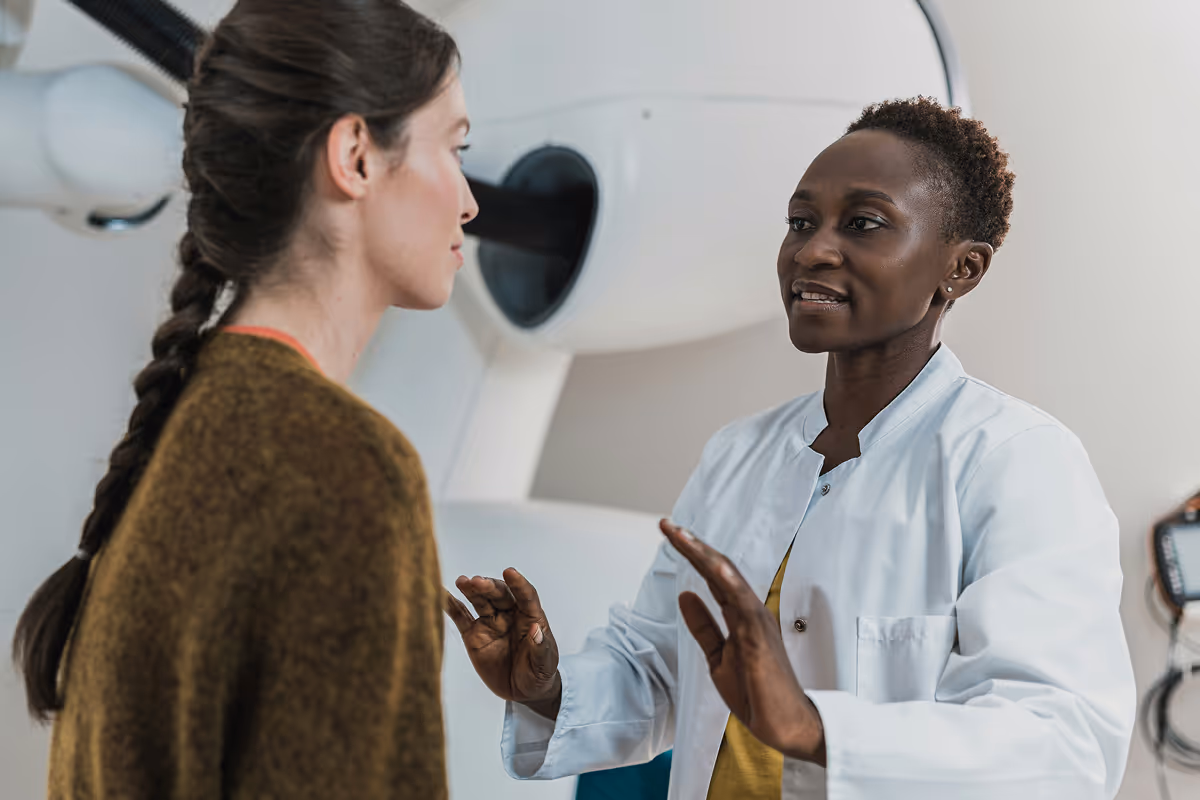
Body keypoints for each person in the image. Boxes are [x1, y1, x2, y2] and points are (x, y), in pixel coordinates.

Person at [445, 97, 1137, 800]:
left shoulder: (1015, 461)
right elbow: (661, 672)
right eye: (800, 222)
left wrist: (815, 729)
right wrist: (547, 689)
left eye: (863, 223)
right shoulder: (738, 454)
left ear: (959, 270)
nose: (811, 250)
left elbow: (1064, 745)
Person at [11, 1, 477, 797]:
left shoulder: (185, 425)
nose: (468, 200)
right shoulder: (347, 465)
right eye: (455, 147)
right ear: (356, 156)